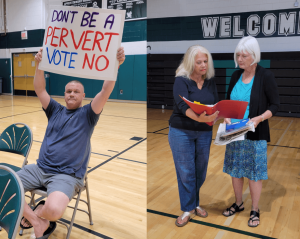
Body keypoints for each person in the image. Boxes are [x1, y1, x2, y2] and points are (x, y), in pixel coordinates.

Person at [17, 46, 125, 239]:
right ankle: (37, 221)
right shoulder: (54, 110)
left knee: (55, 210)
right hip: (39, 168)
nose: (72, 94)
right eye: (68, 91)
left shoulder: (88, 115)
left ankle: (40, 211)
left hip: (66, 176)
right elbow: (39, 88)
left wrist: (115, 65)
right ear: (64, 94)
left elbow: (106, 90)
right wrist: (39, 65)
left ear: (83, 96)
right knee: (4, 185)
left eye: (76, 92)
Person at [222, 36, 279, 227]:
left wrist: (260, 117)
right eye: (238, 55)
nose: (239, 59)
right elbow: (228, 102)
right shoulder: (235, 75)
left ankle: (255, 209)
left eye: (244, 56)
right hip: (234, 132)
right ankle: (238, 204)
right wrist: (226, 116)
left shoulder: (265, 76)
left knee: (254, 173)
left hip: (255, 133)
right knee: (235, 171)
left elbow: (275, 105)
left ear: (254, 56)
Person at [168, 45, 219, 227]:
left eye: (205, 61)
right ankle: (188, 208)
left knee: (200, 171)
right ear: (191, 62)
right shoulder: (181, 80)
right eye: (199, 62)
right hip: (181, 131)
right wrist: (200, 118)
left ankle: (195, 202)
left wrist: (217, 115)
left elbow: (215, 103)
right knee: (186, 172)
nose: (203, 65)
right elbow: (183, 107)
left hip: (204, 132)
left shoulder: (210, 80)